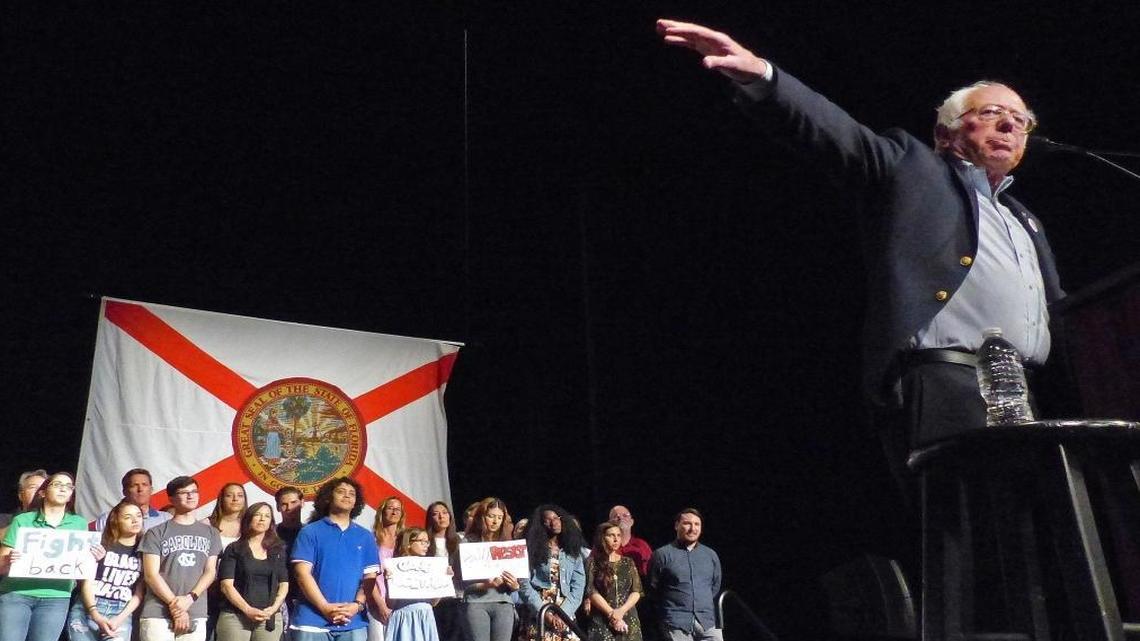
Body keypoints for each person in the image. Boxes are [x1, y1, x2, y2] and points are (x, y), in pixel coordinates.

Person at [655, 19, 1063, 463]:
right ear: (945, 133)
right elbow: (837, 133)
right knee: (961, 525)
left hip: (1024, 396)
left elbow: (1062, 310)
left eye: (1020, 120)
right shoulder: (912, 169)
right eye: (990, 113)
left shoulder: (1025, 220)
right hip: (944, 384)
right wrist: (760, 74)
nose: (1008, 125)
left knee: (1029, 528)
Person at [0, 472, 96, 641]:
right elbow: (1, 564)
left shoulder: (79, 524)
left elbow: (82, 564)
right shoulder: (23, 521)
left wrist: (94, 557)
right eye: (57, 484)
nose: (63, 489)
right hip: (17, 594)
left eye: (68, 486)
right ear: (43, 492)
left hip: (56, 597)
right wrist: (8, 560)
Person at [289, 477, 379, 641]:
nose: (347, 496)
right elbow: (302, 574)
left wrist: (356, 606)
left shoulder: (365, 537)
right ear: (328, 497)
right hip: (311, 622)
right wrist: (324, 607)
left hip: (353, 623)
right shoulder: (310, 532)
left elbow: (369, 578)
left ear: (355, 503)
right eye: (341, 492)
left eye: (352, 494)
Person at [138, 475, 223, 641]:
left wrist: (190, 598)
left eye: (194, 491)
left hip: (195, 610)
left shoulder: (211, 532)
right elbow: (150, 575)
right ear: (172, 498)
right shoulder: (156, 532)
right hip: (158, 612)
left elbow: (210, 571)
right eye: (184, 493)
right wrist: (176, 605)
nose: (190, 496)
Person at [67, 500, 145, 641]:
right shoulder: (101, 546)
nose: (135, 520)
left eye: (138, 516)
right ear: (116, 521)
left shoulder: (144, 552)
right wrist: (95, 614)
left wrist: (119, 619)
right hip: (88, 607)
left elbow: (139, 594)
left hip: (121, 611)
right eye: (128, 517)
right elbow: (86, 583)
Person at [216, 503, 289, 641]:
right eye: (258, 515)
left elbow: (284, 584)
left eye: (267, 516)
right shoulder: (234, 548)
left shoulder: (277, 550)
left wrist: (273, 608)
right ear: (248, 519)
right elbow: (226, 586)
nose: (262, 519)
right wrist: (247, 610)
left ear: (271, 522)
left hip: (268, 617)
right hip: (235, 616)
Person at [647, 509, 721, 641]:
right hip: (676, 621)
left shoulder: (710, 555)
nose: (693, 528)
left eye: (697, 524)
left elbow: (715, 586)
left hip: (706, 621)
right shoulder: (662, 554)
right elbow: (653, 589)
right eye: (687, 523)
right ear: (676, 525)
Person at [518, 504, 586, 641]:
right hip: (538, 609)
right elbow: (524, 584)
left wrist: (563, 614)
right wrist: (544, 612)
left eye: (556, 518)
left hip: (564, 612)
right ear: (540, 525)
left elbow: (578, 587)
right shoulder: (531, 551)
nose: (554, 522)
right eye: (548, 520)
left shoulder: (572, 552)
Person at [460, 498, 519, 641]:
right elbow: (462, 584)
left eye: (499, 517)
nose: (495, 521)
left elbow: (518, 579)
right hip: (476, 603)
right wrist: (487, 585)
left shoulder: (508, 546)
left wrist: (515, 585)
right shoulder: (468, 543)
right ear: (482, 516)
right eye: (491, 516)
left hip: (503, 603)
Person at [382, 528, 450, 641]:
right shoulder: (396, 567)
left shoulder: (430, 567)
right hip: (404, 617)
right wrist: (388, 581)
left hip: (425, 616)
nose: (426, 545)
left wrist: (444, 580)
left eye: (427, 541)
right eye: (422, 541)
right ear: (408, 543)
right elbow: (391, 604)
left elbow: (433, 602)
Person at [585, 523, 642, 641]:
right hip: (602, 619)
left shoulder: (628, 562)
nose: (616, 539)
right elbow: (591, 591)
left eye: (618, 535)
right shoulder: (592, 562)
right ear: (602, 538)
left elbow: (636, 591)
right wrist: (612, 614)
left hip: (628, 617)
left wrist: (621, 611)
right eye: (611, 535)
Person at [206, 483, 249, 639]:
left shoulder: (250, 526)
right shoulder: (207, 525)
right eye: (229, 495)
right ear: (221, 499)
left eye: (240, 495)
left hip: (240, 591)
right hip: (210, 591)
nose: (235, 499)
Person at [423, 502, 463, 641]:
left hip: (456, 597)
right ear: (430, 519)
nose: (441, 516)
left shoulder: (460, 541)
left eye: (445, 512)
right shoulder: (425, 542)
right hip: (434, 599)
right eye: (435, 514)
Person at [368, 497, 405, 641]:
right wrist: (381, 605)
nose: (394, 511)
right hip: (376, 602)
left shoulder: (405, 539)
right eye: (390, 508)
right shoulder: (371, 539)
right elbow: (368, 574)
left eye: (398, 509)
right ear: (382, 512)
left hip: (401, 602)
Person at [93, 469, 173, 532]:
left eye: (144, 485)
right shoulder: (108, 519)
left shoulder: (166, 519)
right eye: (134, 485)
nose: (140, 489)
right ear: (124, 491)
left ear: (151, 489)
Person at [0, 470, 49, 539]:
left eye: (44, 489)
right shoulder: (3, 520)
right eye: (33, 487)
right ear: (20, 495)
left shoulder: (61, 522)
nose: (39, 492)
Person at [606, 507, 651, 577]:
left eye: (625, 515)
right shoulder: (603, 546)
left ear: (632, 522)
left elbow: (650, 573)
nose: (620, 518)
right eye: (615, 516)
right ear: (609, 523)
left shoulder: (642, 546)